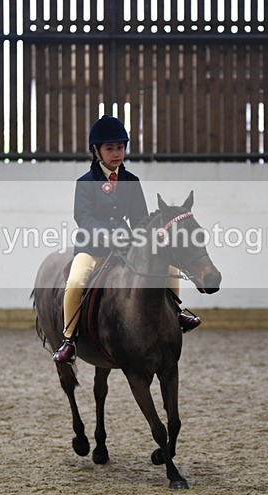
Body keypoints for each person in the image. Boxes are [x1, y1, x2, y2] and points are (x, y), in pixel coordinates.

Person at [52, 115, 202, 364]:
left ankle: (176, 313)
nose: (116, 153)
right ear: (96, 151)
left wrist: (143, 239)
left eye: (120, 147)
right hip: (92, 247)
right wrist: (109, 235)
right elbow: (83, 218)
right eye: (110, 148)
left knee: (168, 265)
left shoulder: (132, 181)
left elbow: (140, 218)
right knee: (76, 280)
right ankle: (69, 340)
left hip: (125, 247)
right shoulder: (86, 183)